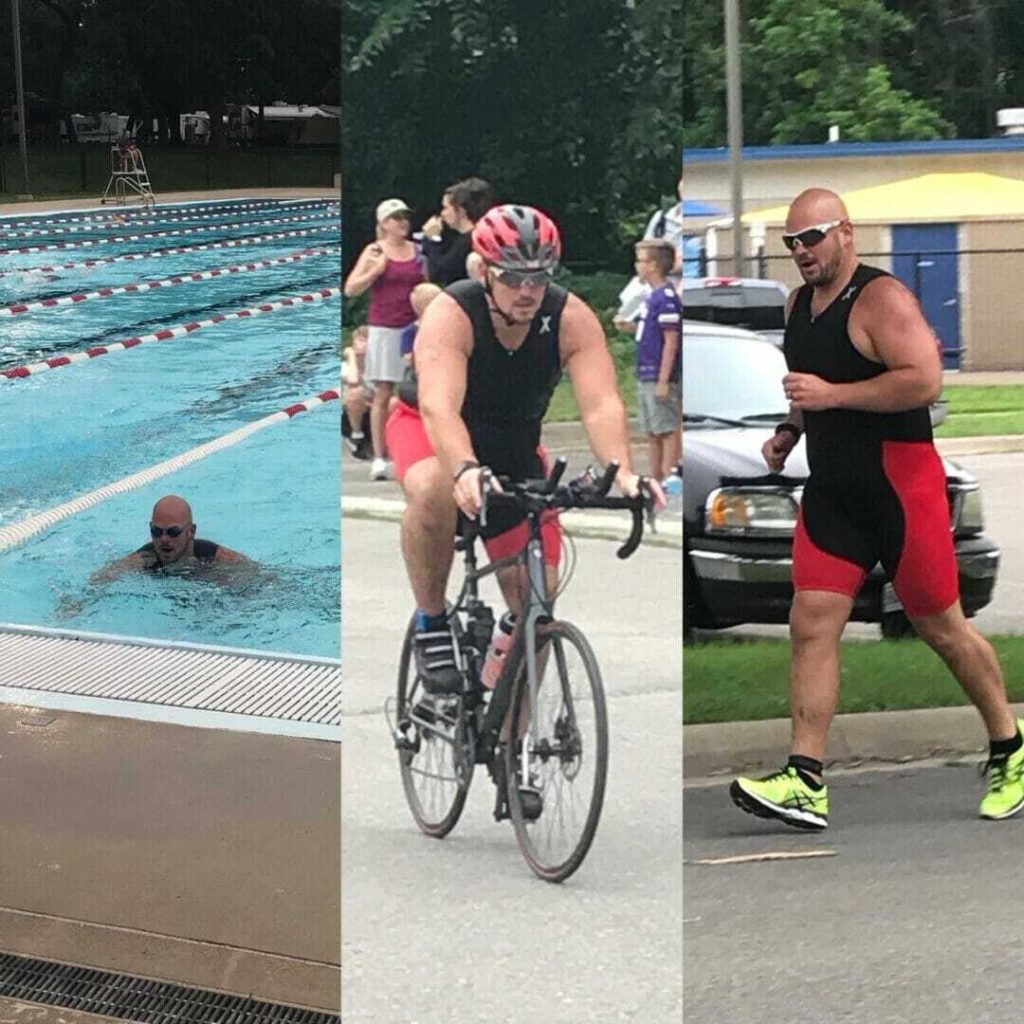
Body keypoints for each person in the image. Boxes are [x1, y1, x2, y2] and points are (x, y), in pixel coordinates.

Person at [730, 187, 1024, 829]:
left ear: (845, 233)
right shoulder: (798, 305)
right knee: (810, 621)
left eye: (812, 238)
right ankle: (805, 778)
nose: (801, 252)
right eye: (791, 243)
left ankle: (1010, 746)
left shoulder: (881, 297)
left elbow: (923, 379)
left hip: (899, 487)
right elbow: (811, 389)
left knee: (941, 626)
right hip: (834, 491)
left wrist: (831, 397)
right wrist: (790, 429)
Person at [385, 203, 664, 694]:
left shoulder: (569, 317)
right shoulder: (454, 313)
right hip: (431, 433)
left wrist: (622, 474)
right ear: (485, 270)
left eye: (540, 278)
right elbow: (438, 407)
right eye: (514, 277)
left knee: (536, 610)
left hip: (513, 446)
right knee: (432, 486)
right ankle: (431, 621)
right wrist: (464, 469)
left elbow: (601, 404)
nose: (528, 290)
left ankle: (513, 757)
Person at [344, 199, 425, 481]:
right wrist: (375, 271)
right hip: (385, 328)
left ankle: (420, 449)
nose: (402, 222)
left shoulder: (419, 250)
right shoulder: (374, 251)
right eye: (396, 217)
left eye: (405, 216)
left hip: (415, 326)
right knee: (383, 392)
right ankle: (379, 456)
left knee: (422, 389)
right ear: (383, 224)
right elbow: (351, 289)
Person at [93, 495, 252, 582]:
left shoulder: (214, 557)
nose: (164, 539)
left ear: (191, 531)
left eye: (173, 532)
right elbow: (99, 581)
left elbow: (259, 577)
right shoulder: (144, 559)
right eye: (156, 531)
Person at [633, 239, 681, 483]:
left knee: (666, 428)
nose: (637, 265)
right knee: (652, 429)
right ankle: (655, 476)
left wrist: (664, 379)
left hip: (658, 374)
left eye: (640, 261)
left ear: (653, 265)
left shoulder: (666, 297)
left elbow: (671, 340)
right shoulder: (651, 296)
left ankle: (668, 475)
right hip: (645, 372)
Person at [419, 177, 495, 287]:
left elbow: (439, 273)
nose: (442, 213)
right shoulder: (471, 236)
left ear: (460, 211)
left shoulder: (469, 240)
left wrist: (434, 239)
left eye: (446, 208)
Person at [343, 325, 373, 461]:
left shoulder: (377, 366)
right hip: (352, 416)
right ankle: (356, 435)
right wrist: (351, 356)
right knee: (356, 392)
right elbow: (353, 380)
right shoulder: (346, 366)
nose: (361, 344)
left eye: (365, 340)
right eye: (359, 340)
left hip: (374, 411)